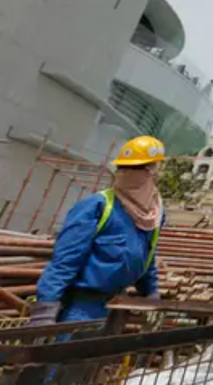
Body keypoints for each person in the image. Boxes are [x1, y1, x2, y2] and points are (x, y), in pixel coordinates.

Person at [29, 136, 167, 325]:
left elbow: (147, 255)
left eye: (136, 168)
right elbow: (64, 261)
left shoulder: (154, 213)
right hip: (82, 306)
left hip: (116, 305)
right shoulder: (97, 206)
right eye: (123, 168)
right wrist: (45, 309)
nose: (126, 174)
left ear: (151, 172)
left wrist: (150, 292)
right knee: (73, 353)